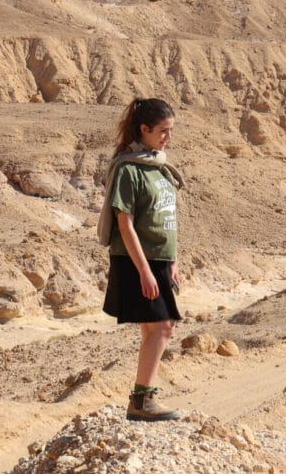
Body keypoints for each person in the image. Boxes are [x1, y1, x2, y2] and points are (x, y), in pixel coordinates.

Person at [98, 97, 185, 421]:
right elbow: (125, 224)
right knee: (164, 326)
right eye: (162, 131)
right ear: (144, 129)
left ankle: (142, 399)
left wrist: (172, 260)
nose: (168, 137)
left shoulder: (157, 165)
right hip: (138, 261)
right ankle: (142, 400)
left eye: (171, 131)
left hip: (159, 259)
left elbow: (166, 216)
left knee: (154, 329)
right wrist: (146, 272)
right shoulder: (129, 169)